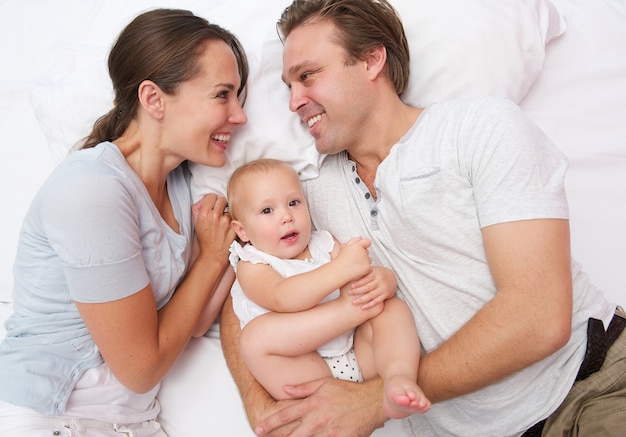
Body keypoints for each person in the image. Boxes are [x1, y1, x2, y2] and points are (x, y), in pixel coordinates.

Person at [219, 1, 626, 436]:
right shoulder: (301, 198)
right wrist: (260, 406)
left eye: (308, 75)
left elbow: (539, 317)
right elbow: (243, 288)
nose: (295, 101)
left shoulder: (479, 129)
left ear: (373, 59)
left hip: (588, 388)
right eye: (288, 86)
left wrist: (373, 401)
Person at [0, 8, 248, 436]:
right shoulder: (90, 189)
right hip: (52, 418)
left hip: (131, 422)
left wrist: (234, 248)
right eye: (222, 95)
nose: (239, 116)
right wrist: (208, 261)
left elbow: (189, 322)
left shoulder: (181, 188)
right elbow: (141, 368)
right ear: (153, 99)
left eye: (239, 99)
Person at [226, 158, 430, 419]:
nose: (286, 217)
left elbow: (359, 279)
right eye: (267, 211)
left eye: (293, 203)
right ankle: (350, 318)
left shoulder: (322, 242)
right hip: (307, 373)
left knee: (391, 308)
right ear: (242, 230)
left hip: (359, 352)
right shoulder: (253, 263)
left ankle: (398, 378)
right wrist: (342, 281)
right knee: (254, 339)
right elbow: (283, 297)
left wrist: (383, 280)